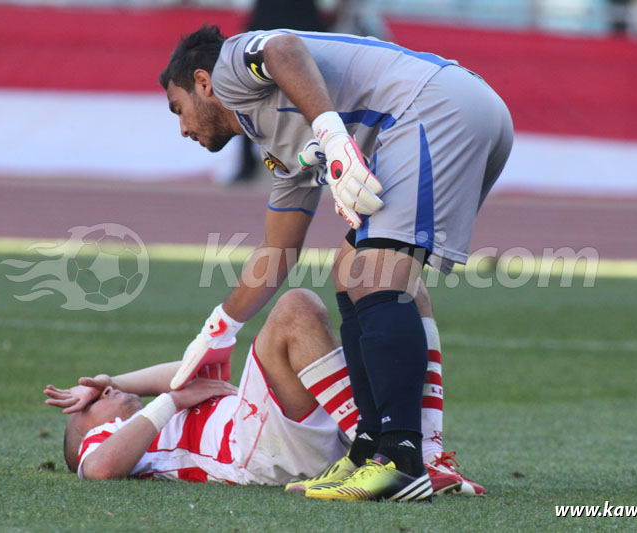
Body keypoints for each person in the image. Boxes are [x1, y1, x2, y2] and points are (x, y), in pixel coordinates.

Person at [159, 25, 511, 501]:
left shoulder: (231, 66)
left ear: (203, 83)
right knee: (352, 271)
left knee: (374, 275)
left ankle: (405, 462)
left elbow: (283, 47)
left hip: (435, 107)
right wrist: (217, 331)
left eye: (178, 109)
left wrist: (331, 133)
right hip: (452, 106)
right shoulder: (279, 145)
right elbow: (277, 251)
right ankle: (380, 451)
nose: (181, 128)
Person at [43, 289, 483, 499]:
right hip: (252, 453)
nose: (112, 394)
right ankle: (394, 460)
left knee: (403, 292)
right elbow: (100, 469)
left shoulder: (152, 414)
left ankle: (424, 455)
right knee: (296, 308)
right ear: (88, 431)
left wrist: (111, 379)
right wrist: (172, 401)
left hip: (276, 430)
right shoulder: (112, 440)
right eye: (101, 401)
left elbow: (183, 374)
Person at [230, 0, 327, 183]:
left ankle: (247, 165)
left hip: (273, 26)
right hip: (297, 26)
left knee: (252, 98)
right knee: (309, 97)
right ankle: (317, 160)